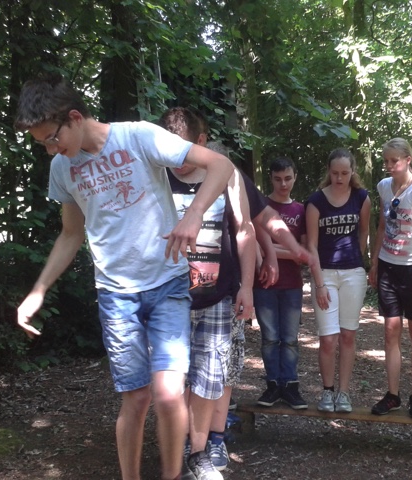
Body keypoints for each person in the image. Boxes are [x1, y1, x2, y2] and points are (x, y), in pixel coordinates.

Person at [14, 76, 235, 480]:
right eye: (43, 143)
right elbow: (71, 234)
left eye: (52, 139)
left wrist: (193, 214)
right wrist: (38, 289)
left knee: (169, 395)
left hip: (168, 284)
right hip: (117, 296)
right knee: (136, 399)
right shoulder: (62, 168)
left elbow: (221, 165)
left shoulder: (138, 137)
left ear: (75, 117)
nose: (51, 149)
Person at [159, 107, 258, 480]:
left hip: (216, 297)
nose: (176, 160)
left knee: (209, 379)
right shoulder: (156, 175)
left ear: (201, 142)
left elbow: (245, 229)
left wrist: (247, 286)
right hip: (169, 297)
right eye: (169, 150)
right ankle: (179, 448)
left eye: (183, 150)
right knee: (173, 382)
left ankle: (198, 452)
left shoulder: (226, 174)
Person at [368, 138, 412, 418]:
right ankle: (393, 394)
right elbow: (383, 225)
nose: (389, 165)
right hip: (388, 266)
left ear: (408, 159)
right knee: (390, 330)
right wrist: (374, 263)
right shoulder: (384, 186)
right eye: (386, 161)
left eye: (394, 160)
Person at [306, 148, 370, 414]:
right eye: (335, 173)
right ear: (328, 172)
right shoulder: (316, 201)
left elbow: (363, 232)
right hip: (325, 273)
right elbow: (311, 245)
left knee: (347, 334)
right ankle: (327, 390)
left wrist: (357, 260)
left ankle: (344, 392)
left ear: (352, 171)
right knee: (328, 338)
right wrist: (319, 283)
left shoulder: (361, 197)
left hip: (353, 273)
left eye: (345, 173)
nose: (340, 178)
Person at [253, 157, 310, 410]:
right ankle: (273, 384)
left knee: (290, 339)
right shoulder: (260, 206)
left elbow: (303, 253)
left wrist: (271, 250)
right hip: (264, 284)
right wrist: (288, 250)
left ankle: (290, 386)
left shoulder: (300, 210)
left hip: (292, 285)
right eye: (278, 179)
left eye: (288, 178)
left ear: (295, 177)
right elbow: (255, 246)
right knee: (269, 338)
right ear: (271, 179)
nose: (283, 184)